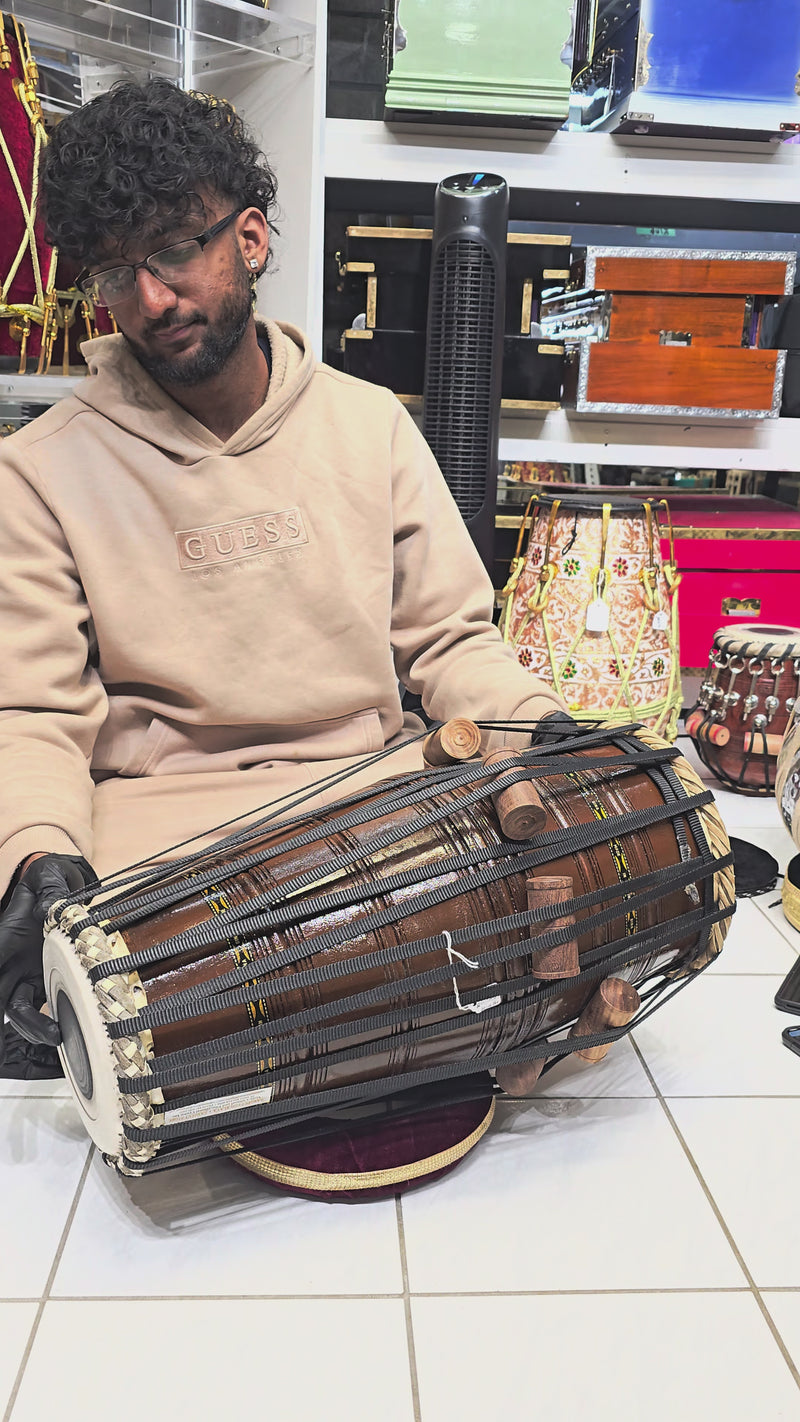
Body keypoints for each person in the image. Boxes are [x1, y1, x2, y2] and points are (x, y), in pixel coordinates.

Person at [0, 78, 569, 1079]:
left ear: (251, 239)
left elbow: (450, 641)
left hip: (377, 815)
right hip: (162, 852)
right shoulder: (39, 470)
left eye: (175, 249)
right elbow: (32, 712)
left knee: (569, 939)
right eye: (117, 271)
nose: (150, 300)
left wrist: (541, 726)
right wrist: (36, 851)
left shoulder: (367, 423)